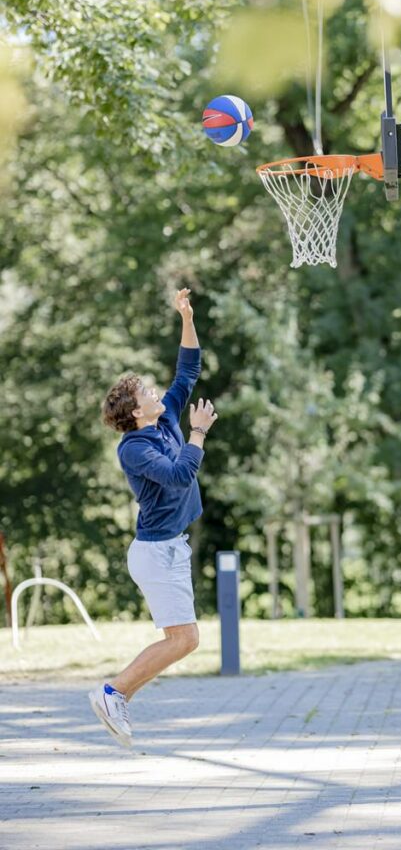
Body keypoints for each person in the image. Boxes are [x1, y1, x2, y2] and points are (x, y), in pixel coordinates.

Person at [91, 287, 218, 748]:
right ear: (134, 410)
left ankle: (117, 696)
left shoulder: (162, 421)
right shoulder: (135, 448)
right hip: (155, 552)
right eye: (146, 391)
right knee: (184, 639)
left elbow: (188, 370)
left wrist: (186, 316)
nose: (154, 391)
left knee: (184, 639)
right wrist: (199, 432)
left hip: (169, 547)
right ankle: (113, 692)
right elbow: (182, 474)